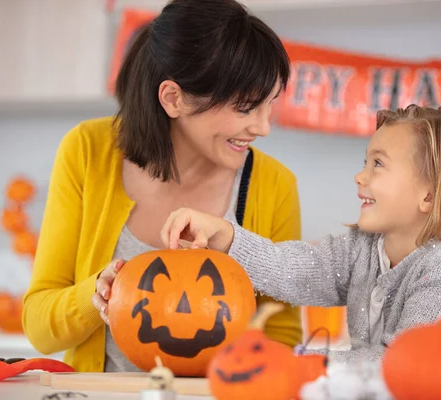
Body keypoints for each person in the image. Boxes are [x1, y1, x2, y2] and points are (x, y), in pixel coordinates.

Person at [22, 0, 303, 372]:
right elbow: (39, 328)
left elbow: (282, 338)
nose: (263, 127)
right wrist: (96, 295)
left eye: (270, 105)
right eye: (246, 108)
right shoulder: (87, 152)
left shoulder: (274, 184)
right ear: (174, 98)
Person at [161, 105, 441, 363]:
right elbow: (293, 270)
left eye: (378, 163)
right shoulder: (363, 248)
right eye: (365, 162)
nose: (360, 176)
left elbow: (400, 364)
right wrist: (228, 237)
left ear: (429, 195)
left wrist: (299, 362)